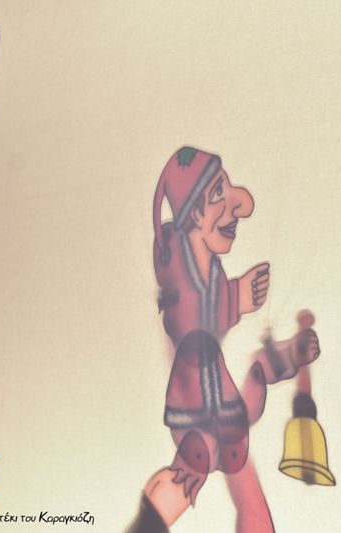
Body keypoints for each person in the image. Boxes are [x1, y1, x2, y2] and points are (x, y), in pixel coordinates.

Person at [126, 147, 320, 533]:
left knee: (252, 505)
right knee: (189, 473)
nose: (240, 203)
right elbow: (188, 324)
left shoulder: (210, 276)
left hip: (228, 414)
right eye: (218, 193)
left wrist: (290, 354)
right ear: (192, 216)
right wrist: (235, 299)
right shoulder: (182, 285)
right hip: (197, 414)